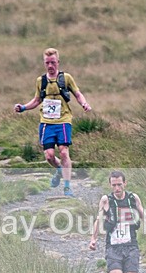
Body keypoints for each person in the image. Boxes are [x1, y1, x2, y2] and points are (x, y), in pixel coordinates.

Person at [14, 48, 91, 197]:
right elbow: (37, 100)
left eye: (53, 62)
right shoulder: (41, 81)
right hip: (46, 122)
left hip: (63, 121)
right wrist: (23, 107)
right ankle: (60, 170)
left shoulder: (66, 78)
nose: (50, 65)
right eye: (47, 63)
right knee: (49, 156)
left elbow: (77, 93)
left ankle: (67, 187)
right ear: (44, 63)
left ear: (58, 62)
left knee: (63, 151)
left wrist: (84, 104)